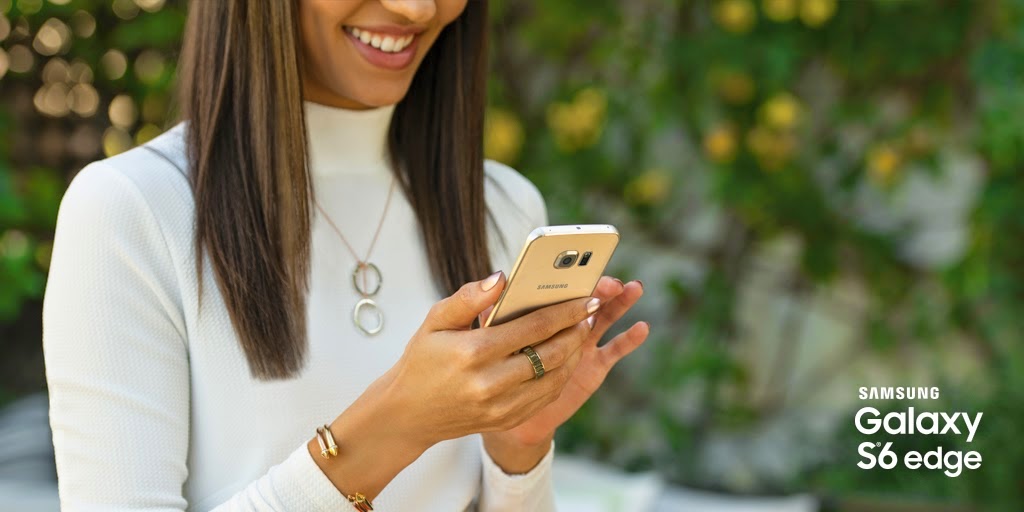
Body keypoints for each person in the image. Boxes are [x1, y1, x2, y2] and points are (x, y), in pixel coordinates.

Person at [41, 1, 649, 510]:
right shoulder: (133, 211)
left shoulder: (503, 207)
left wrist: (517, 451)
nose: (417, 8)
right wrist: (398, 424)